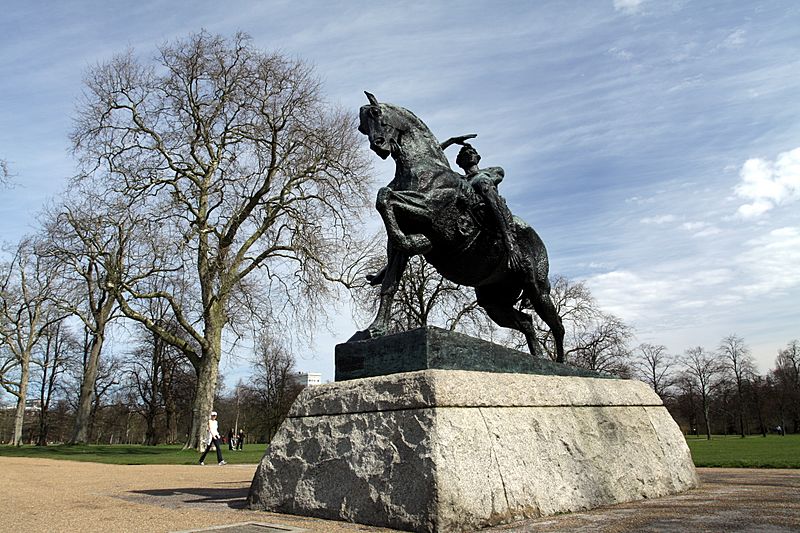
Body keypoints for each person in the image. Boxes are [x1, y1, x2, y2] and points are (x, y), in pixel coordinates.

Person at [452, 142, 524, 271]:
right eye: (465, 154)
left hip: (489, 212)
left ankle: (509, 240)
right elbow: (432, 160)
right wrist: (451, 141)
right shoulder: (459, 179)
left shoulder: (489, 173)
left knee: (484, 185)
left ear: (478, 157)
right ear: (459, 162)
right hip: (470, 217)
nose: (469, 154)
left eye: (472, 152)